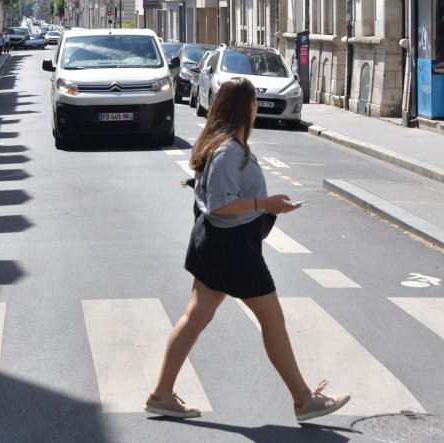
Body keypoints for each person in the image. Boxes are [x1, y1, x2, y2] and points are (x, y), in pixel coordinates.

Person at [145, 77, 351, 422]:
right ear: (248, 108)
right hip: (233, 249)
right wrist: (265, 203)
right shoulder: (228, 151)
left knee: (196, 316)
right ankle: (304, 401)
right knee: (271, 320)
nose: (256, 108)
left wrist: (268, 206)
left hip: (217, 245)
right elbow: (220, 205)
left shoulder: (227, 145)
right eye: (254, 102)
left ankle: (161, 394)